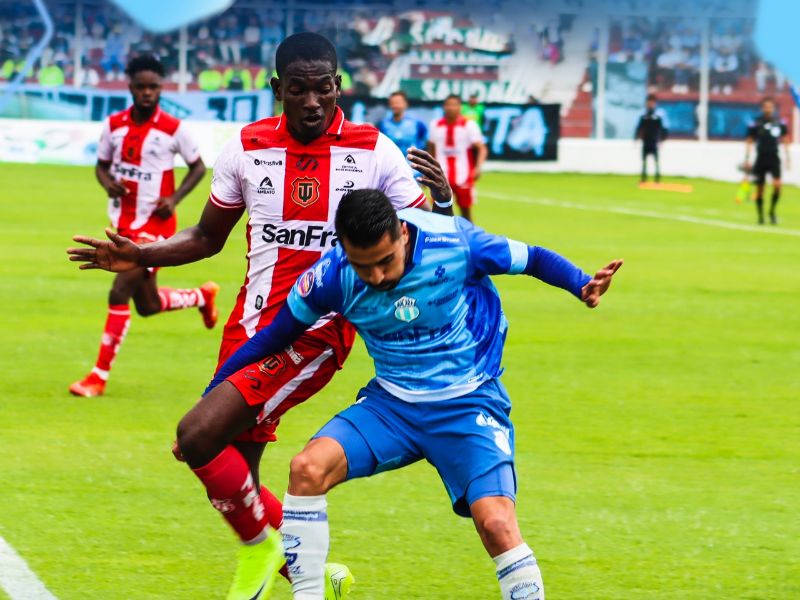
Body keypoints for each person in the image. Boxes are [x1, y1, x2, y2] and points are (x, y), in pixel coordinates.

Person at [67, 33, 453, 600]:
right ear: (278, 89)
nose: (313, 101)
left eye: (324, 88)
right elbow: (206, 237)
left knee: (196, 437)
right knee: (234, 473)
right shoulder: (247, 147)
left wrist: (441, 202)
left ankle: (263, 553)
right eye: (298, 90)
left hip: (317, 333)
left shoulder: (375, 152)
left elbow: (438, 239)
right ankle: (311, 572)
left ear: (338, 85)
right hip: (249, 328)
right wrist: (141, 253)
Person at [208, 189, 623, 600]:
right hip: (392, 406)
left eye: (385, 261)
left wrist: (581, 284)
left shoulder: (456, 242)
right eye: (363, 266)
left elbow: (531, 257)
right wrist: (209, 398)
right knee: (307, 469)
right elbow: (270, 340)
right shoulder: (331, 277)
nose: (377, 278)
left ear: (403, 234)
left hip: (469, 402)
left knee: (496, 524)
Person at [68, 55, 212, 398]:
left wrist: (174, 199)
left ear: (160, 88)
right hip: (121, 226)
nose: (147, 93)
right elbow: (101, 166)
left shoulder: (174, 129)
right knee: (146, 305)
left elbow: (198, 167)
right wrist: (108, 184)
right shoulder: (113, 125)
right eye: (141, 87)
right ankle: (201, 295)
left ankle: (97, 378)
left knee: (119, 290)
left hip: (155, 228)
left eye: (154, 87)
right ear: (130, 87)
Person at [428, 94, 488, 223]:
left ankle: (470, 240)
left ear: (460, 107)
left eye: (454, 105)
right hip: (441, 176)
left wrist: (478, 167)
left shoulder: (469, 125)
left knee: (466, 212)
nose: (450, 108)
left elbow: (481, 148)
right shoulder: (435, 125)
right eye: (448, 105)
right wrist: (429, 170)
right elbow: (432, 148)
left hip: (463, 175)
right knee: (436, 212)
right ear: (444, 107)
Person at [745, 97, 790, 225]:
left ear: (773, 108)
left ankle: (772, 211)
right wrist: (747, 159)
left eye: (770, 107)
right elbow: (749, 141)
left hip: (774, 158)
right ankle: (760, 216)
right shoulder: (756, 122)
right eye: (766, 106)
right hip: (761, 158)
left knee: (777, 186)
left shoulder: (779, 123)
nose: (768, 109)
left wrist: (788, 157)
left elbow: (785, 139)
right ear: (762, 108)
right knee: (760, 189)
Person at [377, 90, 428, 159]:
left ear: (406, 104)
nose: (395, 105)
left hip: (412, 167)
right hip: (391, 166)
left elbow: (426, 144)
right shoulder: (382, 125)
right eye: (392, 103)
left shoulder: (417, 124)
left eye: (398, 102)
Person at [635, 94, 668, 183]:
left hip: (654, 141)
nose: (650, 104)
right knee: (644, 161)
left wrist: (662, 140)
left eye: (651, 102)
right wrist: (636, 138)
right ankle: (644, 178)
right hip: (645, 141)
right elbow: (639, 128)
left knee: (656, 160)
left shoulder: (658, 117)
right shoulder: (643, 116)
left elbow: (663, 130)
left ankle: (657, 178)